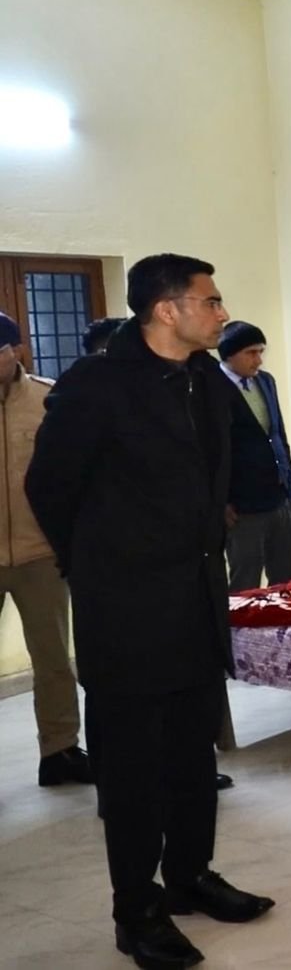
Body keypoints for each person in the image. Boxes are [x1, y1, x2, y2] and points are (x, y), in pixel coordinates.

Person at [26, 254, 274, 970]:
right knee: (133, 770)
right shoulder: (96, 385)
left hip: (195, 597)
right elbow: (50, 487)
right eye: (211, 301)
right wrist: (94, 564)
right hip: (125, 607)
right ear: (167, 310)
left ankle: (190, 876)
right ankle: (135, 910)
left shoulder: (205, 380)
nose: (222, 313)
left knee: (193, 755)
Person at [0, 312, 93, 787]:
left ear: (16, 350)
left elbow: (74, 474)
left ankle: (59, 751)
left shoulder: (48, 399)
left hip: (40, 552)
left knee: (54, 660)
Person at [216, 321, 291, 591]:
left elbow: (278, 434)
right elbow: (210, 449)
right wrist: (221, 500)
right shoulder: (212, 388)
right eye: (251, 353)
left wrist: (289, 484)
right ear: (229, 354)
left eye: (260, 352)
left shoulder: (265, 381)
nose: (258, 360)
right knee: (246, 578)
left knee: (287, 576)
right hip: (242, 505)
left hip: (280, 494)